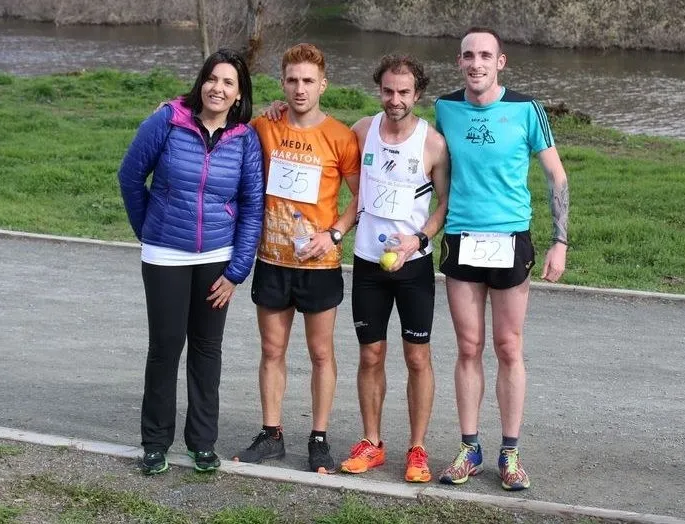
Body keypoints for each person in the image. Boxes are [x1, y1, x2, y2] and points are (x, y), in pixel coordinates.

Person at [434, 27, 569, 491]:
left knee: (508, 347)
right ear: (459, 61)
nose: (476, 64)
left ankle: (509, 452)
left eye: (485, 56)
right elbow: (420, 150)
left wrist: (561, 241)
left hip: (510, 239)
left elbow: (556, 175)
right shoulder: (444, 109)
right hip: (460, 239)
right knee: (468, 348)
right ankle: (469, 448)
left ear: (501, 62)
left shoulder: (526, 109)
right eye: (469, 55)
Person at [117, 49, 264, 476]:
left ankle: (202, 444)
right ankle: (155, 443)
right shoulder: (167, 120)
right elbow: (130, 176)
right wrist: (149, 228)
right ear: (202, 81)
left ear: (238, 95)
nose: (218, 88)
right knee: (165, 349)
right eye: (212, 79)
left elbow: (253, 206)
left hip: (217, 260)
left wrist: (236, 271)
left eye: (228, 83)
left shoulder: (245, 138)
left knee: (207, 350)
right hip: (165, 255)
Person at [232, 43, 361, 474]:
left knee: (321, 354)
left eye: (308, 81)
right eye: (292, 80)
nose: (299, 88)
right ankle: (272, 435)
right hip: (272, 259)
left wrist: (334, 235)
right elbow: (224, 129)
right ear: (282, 83)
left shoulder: (341, 137)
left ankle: (319, 438)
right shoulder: (264, 127)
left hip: (319, 264)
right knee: (272, 350)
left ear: (323, 84)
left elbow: (361, 199)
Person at [338, 54, 449, 483]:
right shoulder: (363, 131)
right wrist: (276, 111)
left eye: (404, 92)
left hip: (413, 267)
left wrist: (419, 239)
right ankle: (372, 443)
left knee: (417, 358)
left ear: (417, 94)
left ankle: (417, 449)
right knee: (371, 354)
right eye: (388, 91)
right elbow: (326, 143)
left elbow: (445, 204)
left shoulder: (432, 143)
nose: (395, 99)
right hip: (368, 263)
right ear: (379, 90)